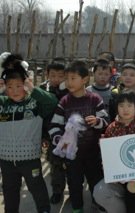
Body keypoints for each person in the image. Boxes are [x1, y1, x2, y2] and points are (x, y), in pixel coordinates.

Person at [49, 61, 109, 213]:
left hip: (93, 152)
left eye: (73, 78)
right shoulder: (64, 102)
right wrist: (60, 140)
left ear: (85, 79)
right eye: (67, 78)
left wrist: (96, 121)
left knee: (95, 181)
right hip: (72, 154)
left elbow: (106, 121)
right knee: (74, 182)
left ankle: (98, 205)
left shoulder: (95, 99)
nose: (69, 82)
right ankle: (77, 208)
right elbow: (54, 125)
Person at [0, 61, 58, 213]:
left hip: (30, 158)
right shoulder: (3, 104)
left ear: (25, 85)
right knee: (9, 190)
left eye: (19, 86)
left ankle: (44, 210)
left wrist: (33, 89)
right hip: (6, 160)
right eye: (10, 86)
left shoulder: (34, 104)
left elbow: (52, 102)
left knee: (37, 187)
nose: (14, 90)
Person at [93, 91, 135, 213]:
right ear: (116, 107)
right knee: (102, 191)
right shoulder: (111, 128)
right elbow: (108, 156)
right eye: (121, 105)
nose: (126, 109)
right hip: (120, 175)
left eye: (130, 105)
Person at [39, 60, 68, 204]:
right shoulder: (42, 90)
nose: (56, 79)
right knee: (55, 165)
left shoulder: (70, 90)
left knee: (73, 165)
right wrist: (43, 136)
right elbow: (39, 115)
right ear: (47, 74)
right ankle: (57, 191)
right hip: (51, 136)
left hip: (70, 136)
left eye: (61, 76)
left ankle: (75, 190)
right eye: (53, 75)